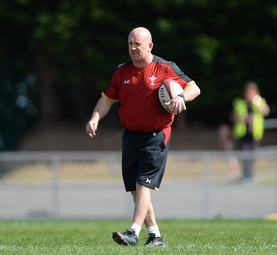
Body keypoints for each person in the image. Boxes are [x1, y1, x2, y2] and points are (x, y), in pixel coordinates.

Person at [85, 27, 201, 247]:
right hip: (130, 137)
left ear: (150, 46)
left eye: (137, 43)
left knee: (143, 185)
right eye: (130, 43)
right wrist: (94, 118)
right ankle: (155, 235)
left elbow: (195, 88)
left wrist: (180, 97)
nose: (133, 48)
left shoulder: (165, 67)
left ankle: (133, 232)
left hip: (156, 136)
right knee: (135, 189)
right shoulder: (121, 72)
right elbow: (107, 99)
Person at [231, 81, 270, 182]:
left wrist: (256, 102)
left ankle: (251, 175)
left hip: (255, 134)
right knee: (244, 154)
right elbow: (233, 116)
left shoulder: (259, 102)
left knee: (252, 155)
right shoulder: (239, 103)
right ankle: (245, 175)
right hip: (242, 134)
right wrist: (243, 119)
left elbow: (266, 111)